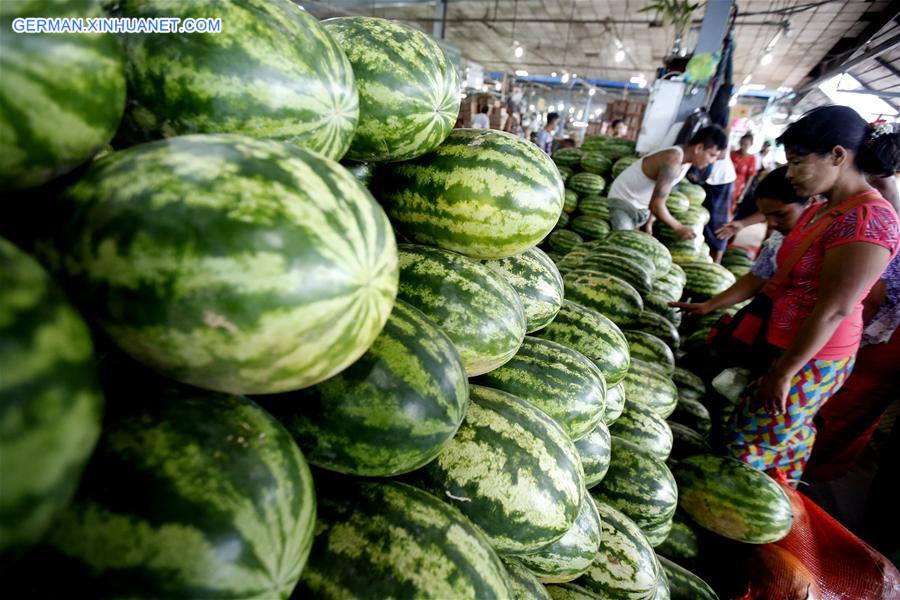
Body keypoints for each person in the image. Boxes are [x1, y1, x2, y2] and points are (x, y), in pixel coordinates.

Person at [711, 106, 899, 484]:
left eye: (797, 162)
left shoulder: (869, 219)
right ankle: (784, 499)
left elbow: (835, 310)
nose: (791, 174)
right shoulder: (824, 209)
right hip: (790, 347)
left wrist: (784, 373)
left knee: (749, 444)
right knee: (782, 435)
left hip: (813, 358)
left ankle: (748, 525)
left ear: (837, 155)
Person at [673, 167, 810, 319]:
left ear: (811, 202)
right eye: (766, 216)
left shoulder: (827, 241)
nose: (771, 223)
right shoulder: (777, 241)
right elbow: (755, 279)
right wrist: (709, 305)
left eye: (780, 214)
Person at [606, 125, 727, 236]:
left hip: (640, 207)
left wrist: (649, 223)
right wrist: (679, 227)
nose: (713, 161)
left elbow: (659, 193)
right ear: (699, 148)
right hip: (622, 201)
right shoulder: (672, 161)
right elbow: (656, 205)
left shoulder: (686, 162)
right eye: (712, 155)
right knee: (622, 243)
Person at [701, 148, 737, 263]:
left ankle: (716, 263)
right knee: (701, 219)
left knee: (718, 226)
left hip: (720, 178)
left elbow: (721, 153)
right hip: (706, 177)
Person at [731, 132, 757, 210]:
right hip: (726, 184)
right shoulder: (732, 154)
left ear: (751, 145)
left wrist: (742, 193)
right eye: (741, 143)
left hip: (738, 188)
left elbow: (750, 178)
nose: (742, 146)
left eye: (746, 145)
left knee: (731, 208)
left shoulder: (751, 158)